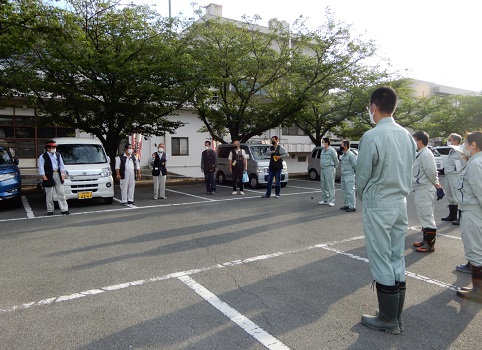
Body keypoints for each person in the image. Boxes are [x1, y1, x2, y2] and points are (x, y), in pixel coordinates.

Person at [356, 87, 416, 335]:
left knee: (380, 258)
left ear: (373, 107)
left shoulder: (371, 136)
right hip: (400, 203)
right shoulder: (407, 136)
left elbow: (362, 176)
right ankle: (396, 316)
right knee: (395, 257)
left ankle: (388, 319)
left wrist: (362, 196)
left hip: (379, 203)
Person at [455, 131, 482, 303]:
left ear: (473, 145)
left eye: (466, 142)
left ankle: (478, 291)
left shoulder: (476, 164)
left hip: (473, 212)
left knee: (475, 251)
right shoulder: (474, 161)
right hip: (473, 210)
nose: (464, 145)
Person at [411, 131, 442, 253]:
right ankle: (425, 240)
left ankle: (430, 245)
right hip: (420, 189)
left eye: (413, 140)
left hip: (424, 188)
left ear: (419, 141)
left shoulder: (426, 154)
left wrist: (435, 183)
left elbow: (431, 172)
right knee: (423, 216)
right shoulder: (420, 154)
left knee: (427, 216)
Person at [38, 140, 70, 216]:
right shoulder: (43, 156)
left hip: (57, 174)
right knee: (49, 194)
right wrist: (43, 176)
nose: (53, 148)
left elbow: (62, 165)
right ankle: (50, 210)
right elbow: (41, 167)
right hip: (48, 175)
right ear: (47, 148)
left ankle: (64, 209)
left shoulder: (58, 155)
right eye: (52, 147)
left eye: (54, 147)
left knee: (61, 193)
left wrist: (63, 173)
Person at [442, 133, 465, 225]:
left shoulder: (460, 151)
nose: (449, 141)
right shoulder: (452, 151)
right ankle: (452, 215)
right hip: (449, 175)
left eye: (450, 139)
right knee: (450, 195)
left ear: (456, 141)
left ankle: (461, 217)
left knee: (457, 196)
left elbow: (464, 164)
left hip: (456, 176)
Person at [318, 137, 339, 207]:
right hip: (323, 169)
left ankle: (332, 200)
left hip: (329, 169)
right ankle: (325, 199)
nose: (322, 143)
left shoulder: (332, 151)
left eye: (323, 142)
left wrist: (333, 167)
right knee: (323, 185)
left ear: (327, 143)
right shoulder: (323, 151)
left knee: (330, 185)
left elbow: (336, 160)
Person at [339, 140, 357, 212]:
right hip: (343, 175)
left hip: (349, 175)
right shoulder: (343, 155)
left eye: (342, 145)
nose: (341, 146)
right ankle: (347, 204)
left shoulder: (351, 155)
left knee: (350, 191)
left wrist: (356, 175)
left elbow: (355, 165)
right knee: (344, 191)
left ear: (346, 146)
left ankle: (352, 206)